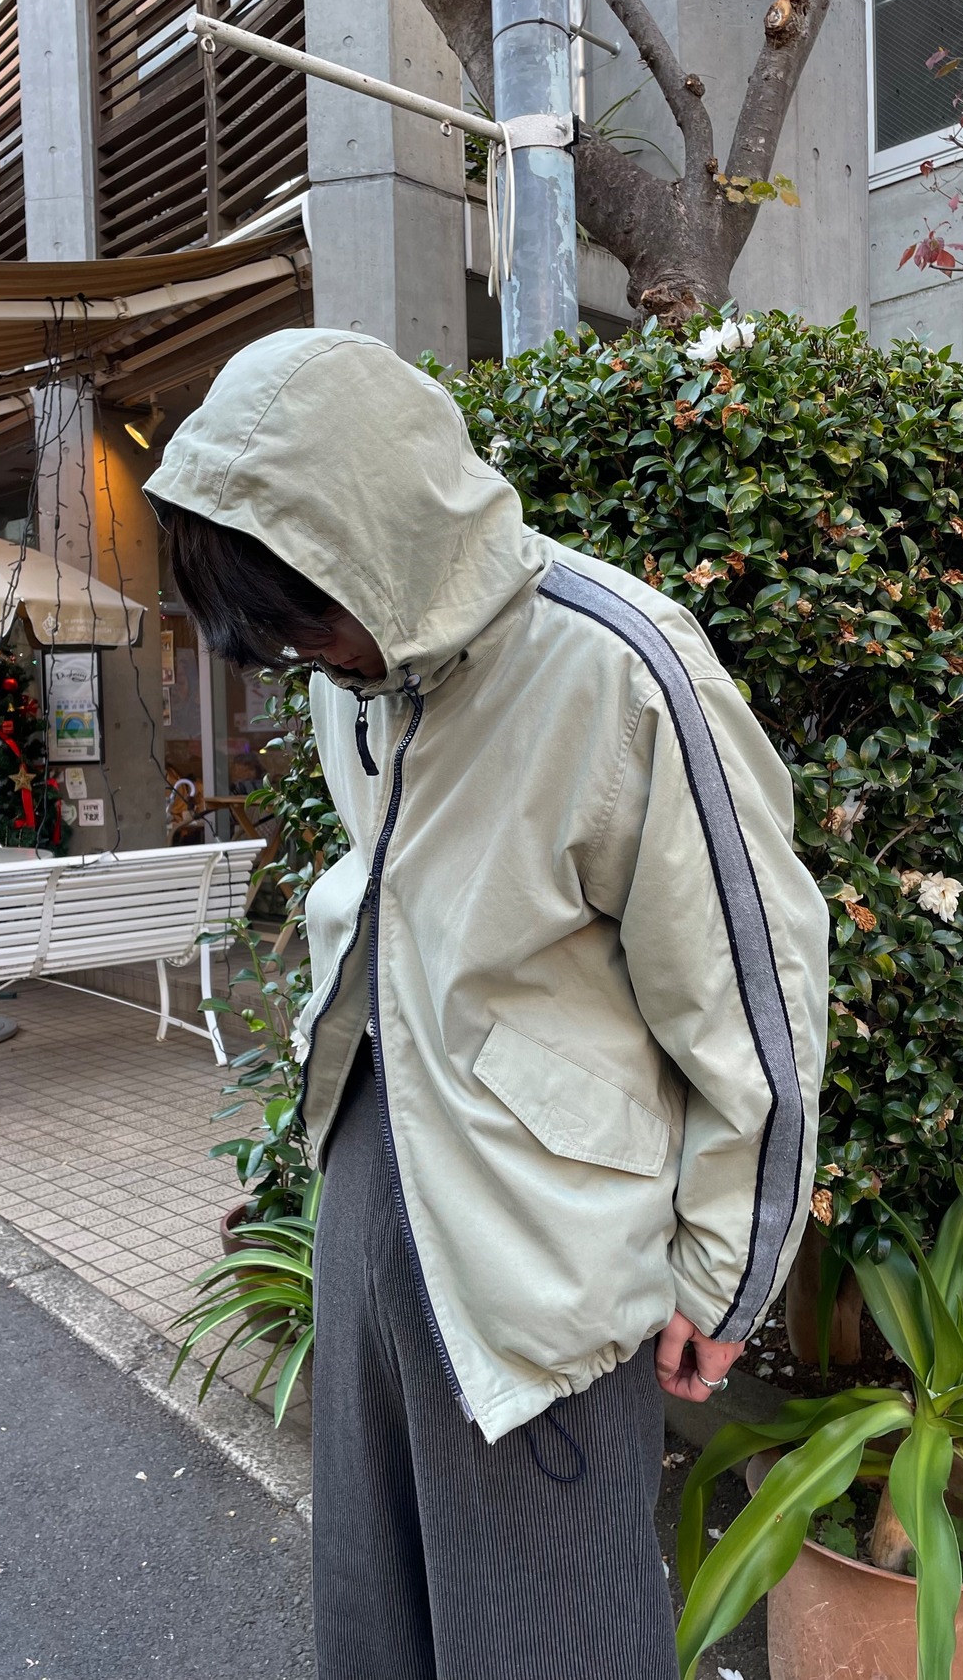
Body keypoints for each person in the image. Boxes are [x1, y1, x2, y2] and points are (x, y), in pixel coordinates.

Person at [145, 327, 829, 1680]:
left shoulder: (622, 668)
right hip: (376, 1164)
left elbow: (756, 998)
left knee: (549, 1642)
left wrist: (726, 1272)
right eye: (277, 641)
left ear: (379, 544)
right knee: (376, 1612)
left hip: (544, 1239)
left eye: (306, 620)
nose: (306, 660)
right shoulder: (356, 670)